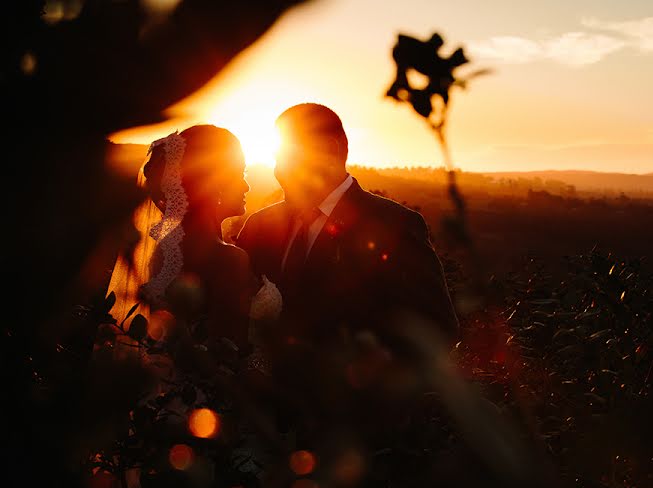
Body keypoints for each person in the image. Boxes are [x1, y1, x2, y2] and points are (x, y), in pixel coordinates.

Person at [236, 103, 458, 353]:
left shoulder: (395, 225)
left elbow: (437, 328)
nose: (279, 171)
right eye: (276, 159)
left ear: (329, 151)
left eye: (288, 158)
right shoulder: (259, 225)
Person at [105, 125, 257, 348]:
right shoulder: (229, 258)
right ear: (217, 184)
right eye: (241, 173)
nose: (247, 186)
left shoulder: (165, 249)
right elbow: (229, 351)